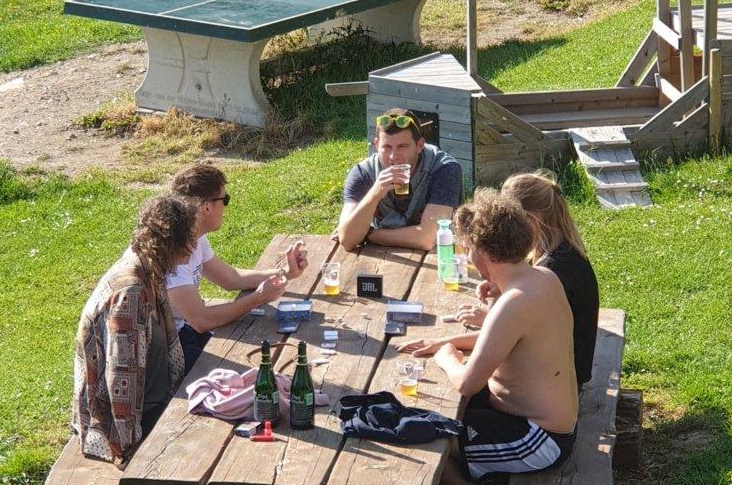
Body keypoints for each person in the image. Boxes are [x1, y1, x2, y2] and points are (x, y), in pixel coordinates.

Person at [429, 190, 579, 485]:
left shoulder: (513, 304)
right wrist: (448, 339)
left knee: (433, 441)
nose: (468, 258)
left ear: (482, 252)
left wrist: (447, 356)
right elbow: (505, 340)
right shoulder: (544, 278)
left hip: (539, 439)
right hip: (539, 421)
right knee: (440, 414)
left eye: (468, 249)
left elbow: (467, 382)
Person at [403, 171, 599, 390]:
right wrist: (502, 287)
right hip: (559, 376)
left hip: (564, 379)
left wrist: (450, 344)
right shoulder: (556, 255)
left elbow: (508, 336)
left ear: (528, 221)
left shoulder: (553, 269)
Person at [72, 195, 199, 466]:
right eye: (187, 240)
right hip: (127, 426)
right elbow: (121, 381)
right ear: (169, 242)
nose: (193, 247)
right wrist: (134, 451)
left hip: (156, 400)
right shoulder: (130, 293)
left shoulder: (150, 269)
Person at [167, 162, 308, 371]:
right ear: (207, 207)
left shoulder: (194, 236)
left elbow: (231, 278)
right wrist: (259, 297)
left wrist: (286, 272)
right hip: (168, 348)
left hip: (183, 330)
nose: (225, 207)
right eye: (225, 200)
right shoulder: (174, 252)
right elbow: (202, 320)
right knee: (251, 375)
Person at [337, 108, 462, 251]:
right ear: (376, 145)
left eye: (402, 146)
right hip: (380, 255)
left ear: (419, 146)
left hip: (439, 257)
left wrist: (369, 235)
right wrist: (374, 194)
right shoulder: (363, 174)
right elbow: (347, 240)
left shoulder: (443, 169)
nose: (393, 156)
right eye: (387, 147)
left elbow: (427, 239)